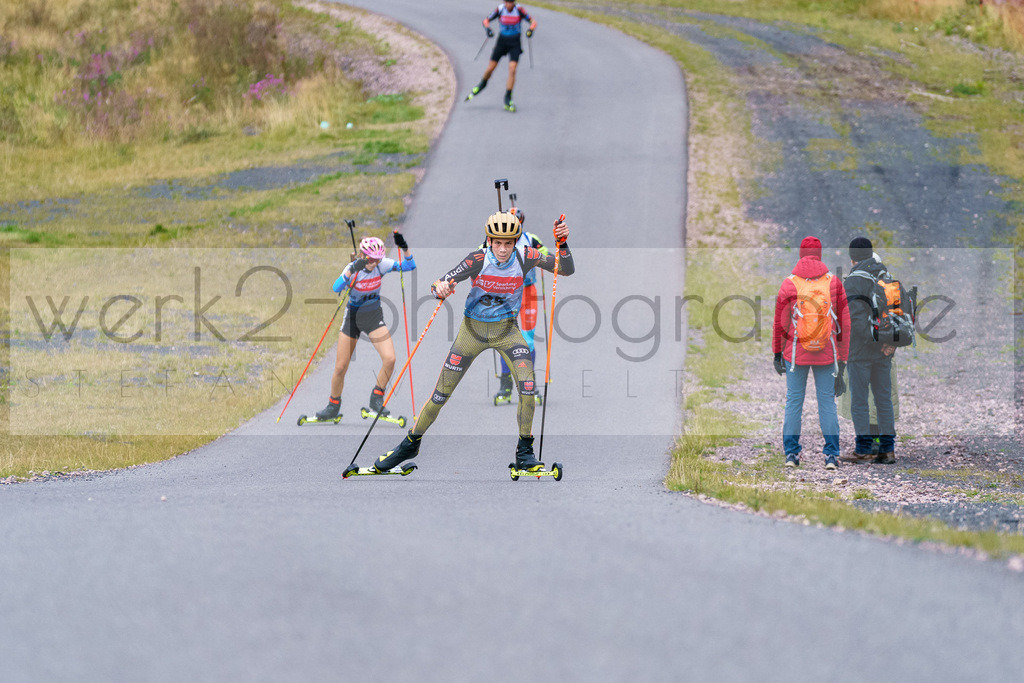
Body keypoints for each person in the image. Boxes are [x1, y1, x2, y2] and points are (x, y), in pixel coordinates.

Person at [373, 211, 574, 473]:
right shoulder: (478, 259)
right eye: (497, 242)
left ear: (516, 241)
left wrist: (562, 243)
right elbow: (440, 282)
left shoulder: (526, 256)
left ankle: (525, 452)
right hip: (472, 333)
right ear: (489, 240)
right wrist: (441, 288)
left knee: (528, 388)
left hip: (507, 332)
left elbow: (566, 269)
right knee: (439, 396)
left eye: (508, 242)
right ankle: (410, 443)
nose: (503, 249)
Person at [311, 234, 415, 421]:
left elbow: (409, 266)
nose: (375, 263)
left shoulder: (381, 264)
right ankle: (333, 406)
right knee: (341, 367)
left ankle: (376, 398)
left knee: (390, 359)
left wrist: (404, 247)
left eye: (377, 260)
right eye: (371, 260)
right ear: (363, 255)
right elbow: (336, 288)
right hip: (353, 318)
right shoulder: (354, 268)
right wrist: (351, 270)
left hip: (374, 316)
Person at [772, 236, 850, 470]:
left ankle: (791, 454)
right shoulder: (833, 283)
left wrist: (777, 353)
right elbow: (845, 324)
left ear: (800, 254)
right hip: (826, 353)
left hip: (795, 353)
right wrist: (842, 359)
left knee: (794, 402)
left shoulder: (789, 284)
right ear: (820, 254)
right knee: (827, 403)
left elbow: (780, 323)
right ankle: (831, 456)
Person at [841, 237, 898, 464]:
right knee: (884, 400)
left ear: (852, 258)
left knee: (860, 401)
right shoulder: (886, 277)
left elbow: (854, 322)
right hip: (884, 351)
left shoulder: (853, 281)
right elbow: (897, 315)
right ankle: (888, 450)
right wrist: (888, 342)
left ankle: (863, 448)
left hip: (860, 353)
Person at [484, 207, 548, 405]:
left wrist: (539, 256)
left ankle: (530, 384)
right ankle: (506, 386)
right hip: (506, 294)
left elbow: (545, 254)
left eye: (517, 224)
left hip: (528, 292)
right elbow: (481, 256)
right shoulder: (496, 242)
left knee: (527, 341)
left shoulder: (530, 239)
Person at [465, 0, 537, 112]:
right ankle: (482, 84)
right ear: (504, 2)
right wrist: (488, 29)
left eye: (511, 2)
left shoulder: (519, 10)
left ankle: (508, 98)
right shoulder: (500, 9)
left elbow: (533, 22)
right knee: (491, 67)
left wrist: (530, 30)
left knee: (512, 69)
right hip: (502, 42)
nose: (509, 4)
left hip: (515, 43)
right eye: (507, 2)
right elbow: (485, 21)